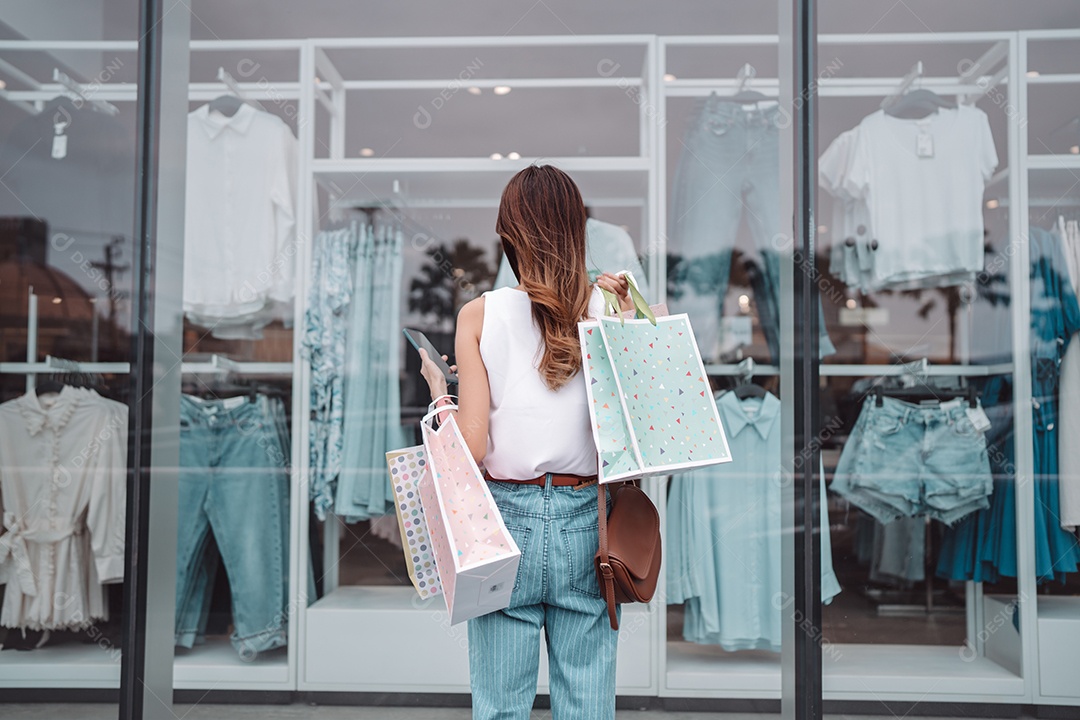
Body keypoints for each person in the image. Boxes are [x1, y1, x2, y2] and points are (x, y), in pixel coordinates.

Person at [418, 164, 633, 720]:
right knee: (587, 705)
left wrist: (442, 392)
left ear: (509, 234)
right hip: (587, 519)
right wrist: (628, 325)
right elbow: (629, 428)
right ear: (575, 230)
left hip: (502, 522)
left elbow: (472, 445)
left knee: (500, 708)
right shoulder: (606, 306)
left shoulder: (478, 314)